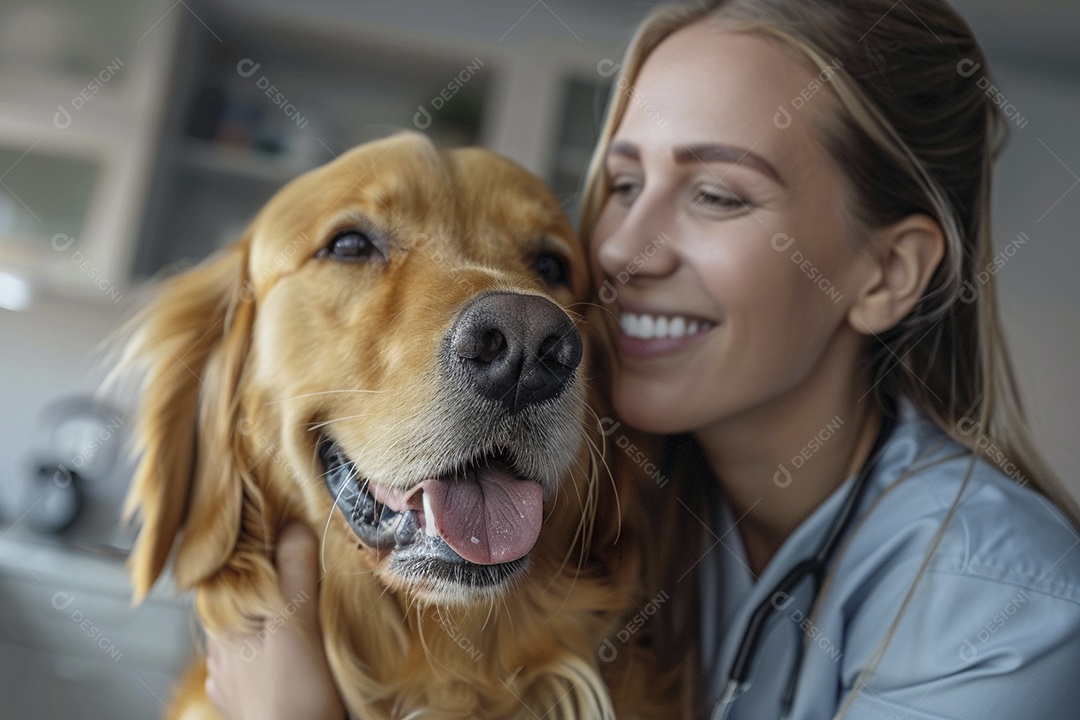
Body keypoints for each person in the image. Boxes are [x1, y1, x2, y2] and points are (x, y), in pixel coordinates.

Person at [205, 1, 1080, 718]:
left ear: (885, 274)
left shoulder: (1002, 610)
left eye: (716, 194)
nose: (623, 252)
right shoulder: (631, 508)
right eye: (624, 184)